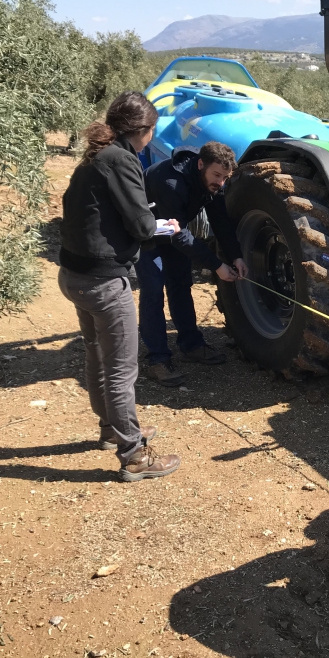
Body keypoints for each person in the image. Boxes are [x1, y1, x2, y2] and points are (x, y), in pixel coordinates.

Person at [58, 91, 182, 482]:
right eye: (151, 132)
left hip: (75, 275)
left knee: (97, 355)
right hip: (104, 281)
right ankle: (133, 455)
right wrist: (162, 225)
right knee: (121, 370)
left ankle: (113, 430)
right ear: (143, 131)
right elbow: (144, 228)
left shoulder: (95, 156)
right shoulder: (123, 159)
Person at [138, 141, 247, 387]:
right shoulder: (170, 183)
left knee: (181, 284)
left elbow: (220, 221)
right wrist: (217, 266)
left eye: (225, 177)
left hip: (173, 233)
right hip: (145, 235)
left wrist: (236, 256)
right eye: (216, 175)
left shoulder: (214, 184)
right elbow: (180, 236)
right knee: (154, 289)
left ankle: (191, 345)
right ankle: (158, 358)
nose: (220, 182)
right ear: (201, 164)